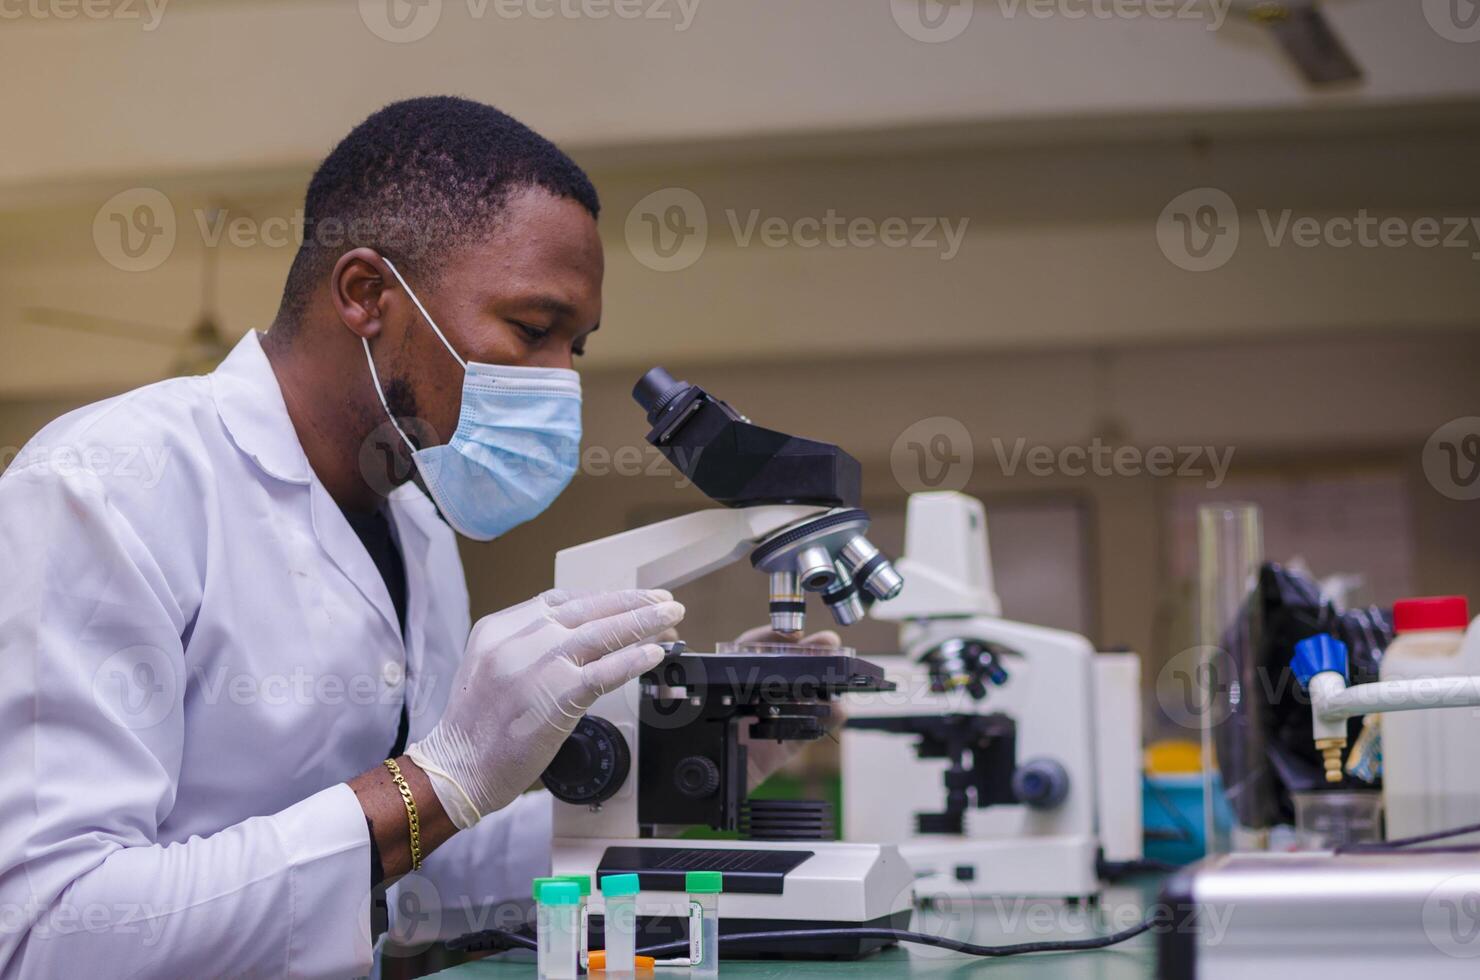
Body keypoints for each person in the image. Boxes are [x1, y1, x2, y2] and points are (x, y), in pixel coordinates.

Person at [0, 96, 826, 978]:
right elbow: (49, 929)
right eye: (532, 330)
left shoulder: (417, 527)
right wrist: (435, 779)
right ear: (366, 295)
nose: (559, 384)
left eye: (574, 349)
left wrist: (675, 767)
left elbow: (418, 881)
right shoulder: (111, 485)